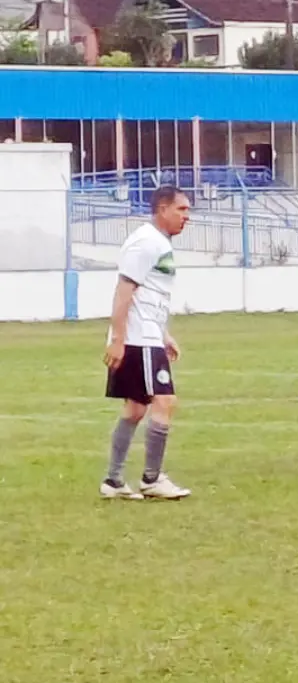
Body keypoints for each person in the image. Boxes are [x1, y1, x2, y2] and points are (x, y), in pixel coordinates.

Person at [100, 185, 192, 500]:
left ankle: (113, 481)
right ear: (162, 209)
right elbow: (124, 291)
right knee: (164, 402)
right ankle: (152, 479)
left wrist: (164, 334)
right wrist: (120, 339)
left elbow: (147, 296)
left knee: (137, 408)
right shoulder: (146, 243)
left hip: (146, 336)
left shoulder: (158, 243)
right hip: (137, 340)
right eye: (181, 209)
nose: (186, 217)